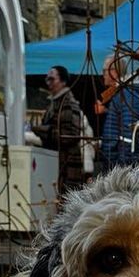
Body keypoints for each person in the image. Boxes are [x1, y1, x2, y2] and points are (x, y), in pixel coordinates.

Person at [29, 65, 87, 205]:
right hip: (58, 162)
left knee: (66, 204)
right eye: (47, 79)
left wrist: (38, 130)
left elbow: (70, 135)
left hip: (67, 165)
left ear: (63, 81)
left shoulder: (67, 103)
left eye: (52, 79)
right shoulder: (56, 102)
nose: (48, 82)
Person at [95, 53, 139, 174]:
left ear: (114, 71)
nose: (103, 74)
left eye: (104, 70)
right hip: (115, 165)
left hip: (120, 169)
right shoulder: (123, 94)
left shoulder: (127, 95)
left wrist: (122, 171)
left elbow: (129, 136)